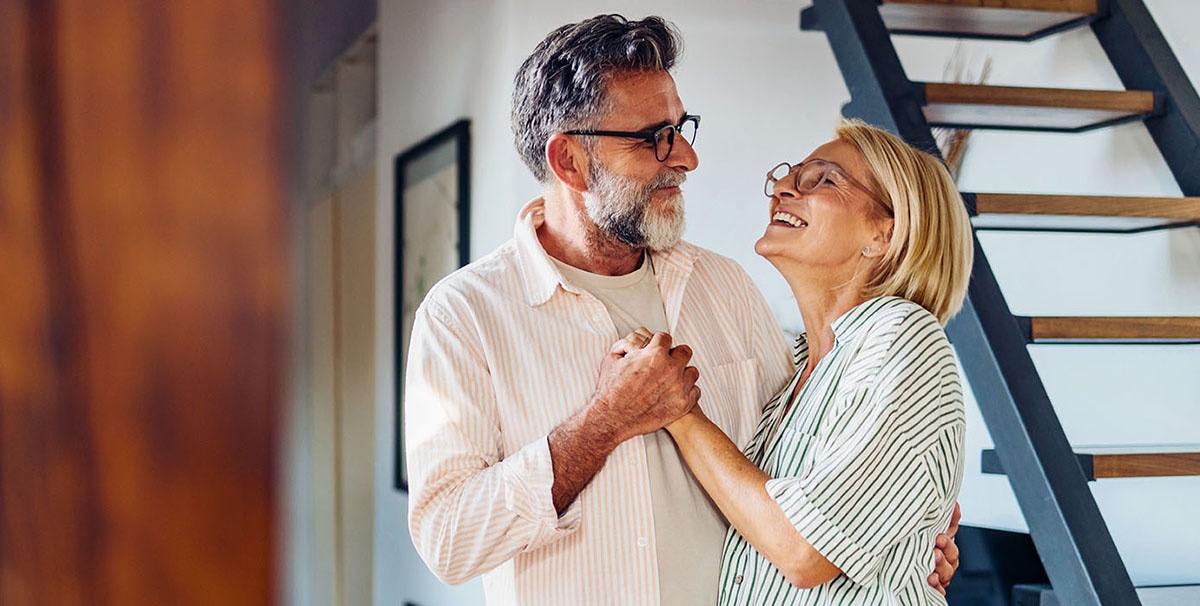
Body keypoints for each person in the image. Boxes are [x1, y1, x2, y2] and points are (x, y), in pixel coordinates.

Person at [404, 14, 958, 605]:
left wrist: (907, 528)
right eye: (654, 138)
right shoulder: (464, 316)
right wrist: (603, 423)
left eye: (682, 127)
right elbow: (449, 542)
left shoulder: (727, 289)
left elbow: (811, 475)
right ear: (569, 161)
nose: (687, 157)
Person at [625, 119, 974, 604]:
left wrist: (680, 412)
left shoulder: (905, 336)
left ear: (884, 233)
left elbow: (803, 550)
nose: (784, 187)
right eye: (791, 175)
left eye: (824, 179)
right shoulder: (797, 374)